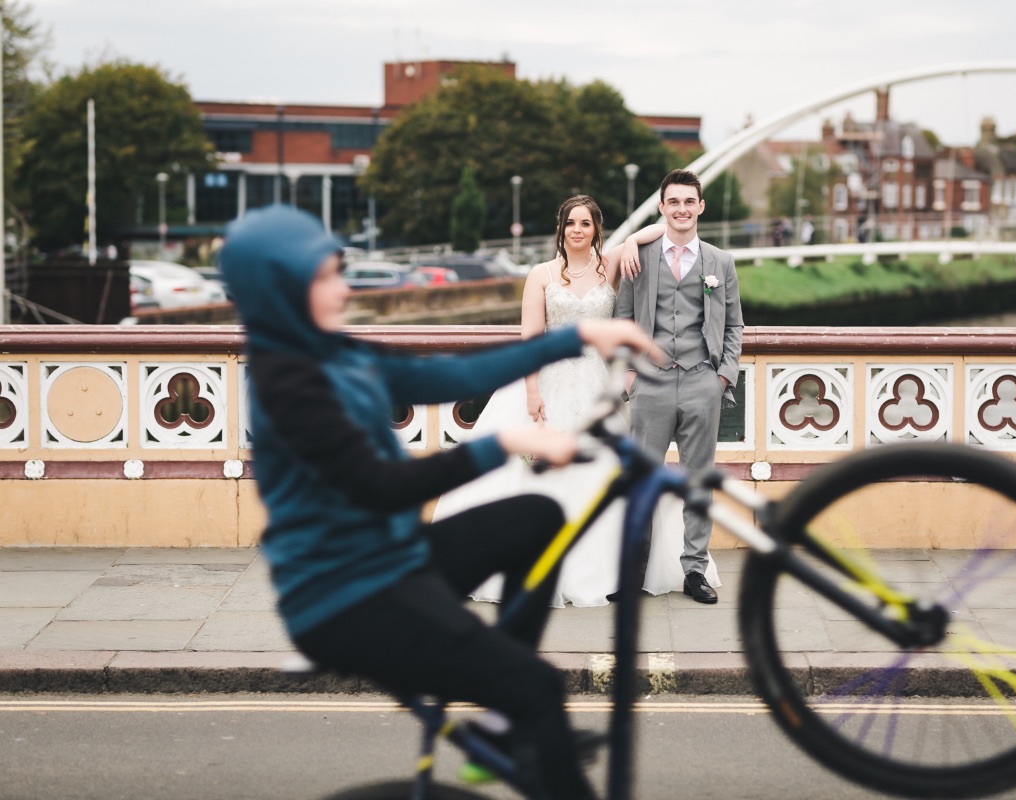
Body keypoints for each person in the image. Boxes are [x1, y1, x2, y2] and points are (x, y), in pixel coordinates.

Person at [219, 204, 659, 800]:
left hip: (393, 562)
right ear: (279, 289)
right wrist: (503, 442)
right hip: (348, 598)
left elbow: (452, 378)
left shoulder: (336, 353)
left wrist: (577, 335)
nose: (343, 287)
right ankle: (517, 711)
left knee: (540, 516)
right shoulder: (288, 385)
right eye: (324, 276)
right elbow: (379, 486)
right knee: (538, 689)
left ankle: (503, 724)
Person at [433, 195, 720, 606]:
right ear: (561, 228)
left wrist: (633, 242)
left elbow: (661, 228)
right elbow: (530, 337)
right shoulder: (542, 274)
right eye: (571, 223)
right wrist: (532, 391)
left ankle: (606, 570)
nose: (577, 231)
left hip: (598, 383)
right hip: (548, 379)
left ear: (596, 230)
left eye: (586, 224)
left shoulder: (610, 266)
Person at [616, 169, 744, 605]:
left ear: (700, 207)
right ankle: (633, 573)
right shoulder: (641, 256)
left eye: (690, 201)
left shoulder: (720, 262)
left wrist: (722, 376)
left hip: (700, 382)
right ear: (662, 207)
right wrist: (631, 374)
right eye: (674, 202)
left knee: (698, 481)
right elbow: (623, 318)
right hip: (649, 384)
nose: (682, 209)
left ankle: (695, 571)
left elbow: (733, 325)